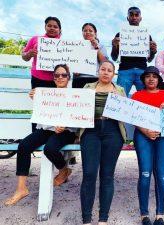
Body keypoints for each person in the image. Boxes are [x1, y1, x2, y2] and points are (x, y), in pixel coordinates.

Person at [4, 64, 77, 206]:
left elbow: (79, 118)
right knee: (24, 145)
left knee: (49, 149)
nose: (60, 78)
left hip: (67, 131)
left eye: (63, 75)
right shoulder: (45, 93)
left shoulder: (76, 95)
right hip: (46, 129)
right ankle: (21, 188)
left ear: (69, 77)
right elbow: (42, 116)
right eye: (57, 75)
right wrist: (35, 99)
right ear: (53, 78)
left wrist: (65, 126)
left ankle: (63, 170)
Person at [79, 60, 126, 225]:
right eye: (103, 69)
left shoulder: (120, 90)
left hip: (113, 131)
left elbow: (126, 113)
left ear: (114, 74)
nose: (106, 72)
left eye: (109, 70)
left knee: (107, 175)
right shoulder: (87, 88)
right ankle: (86, 219)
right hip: (91, 130)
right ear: (98, 71)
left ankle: (103, 219)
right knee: (89, 173)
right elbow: (77, 106)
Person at [131, 66, 164, 225]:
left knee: (161, 175)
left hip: (163, 136)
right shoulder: (137, 94)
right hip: (142, 136)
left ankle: (160, 214)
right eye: (148, 76)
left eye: (154, 76)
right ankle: (144, 214)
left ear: (159, 80)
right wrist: (146, 131)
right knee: (145, 173)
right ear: (143, 79)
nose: (151, 79)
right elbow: (133, 117)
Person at [111, 6, 157, 96]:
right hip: (124, 71)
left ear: (140, 18)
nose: (134, 17)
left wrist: (153, 51)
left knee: (146, 100)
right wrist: (114, 46)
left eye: (137, 15)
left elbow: (150, 59)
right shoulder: (120, 34)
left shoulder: (147, 35)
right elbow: (114, 57)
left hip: (142, 71)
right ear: (127, 18)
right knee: (119, 99)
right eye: (131, 15)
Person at [22, 16, 62, 89]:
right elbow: (24, 57)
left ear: (59, 29)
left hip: (57, 80)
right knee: (37, 99)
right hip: (37, 78)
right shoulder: (35, 39)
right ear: (45, 27)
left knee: (55, 100)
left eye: (55, 27)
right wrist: (28, 54)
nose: (52, 28)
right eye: (49, 26)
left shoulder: (65, 44)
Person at [72, 23, 108, 88]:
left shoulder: (101, 46)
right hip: (78, 79)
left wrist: (96, 47)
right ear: (82, 33)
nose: (87, 32)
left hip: (95, 79)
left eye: (90, 31)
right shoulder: (77, 46)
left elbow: (105, 63)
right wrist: (74, 69)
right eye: (85, 31)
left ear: (95, 33)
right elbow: (73, 62)